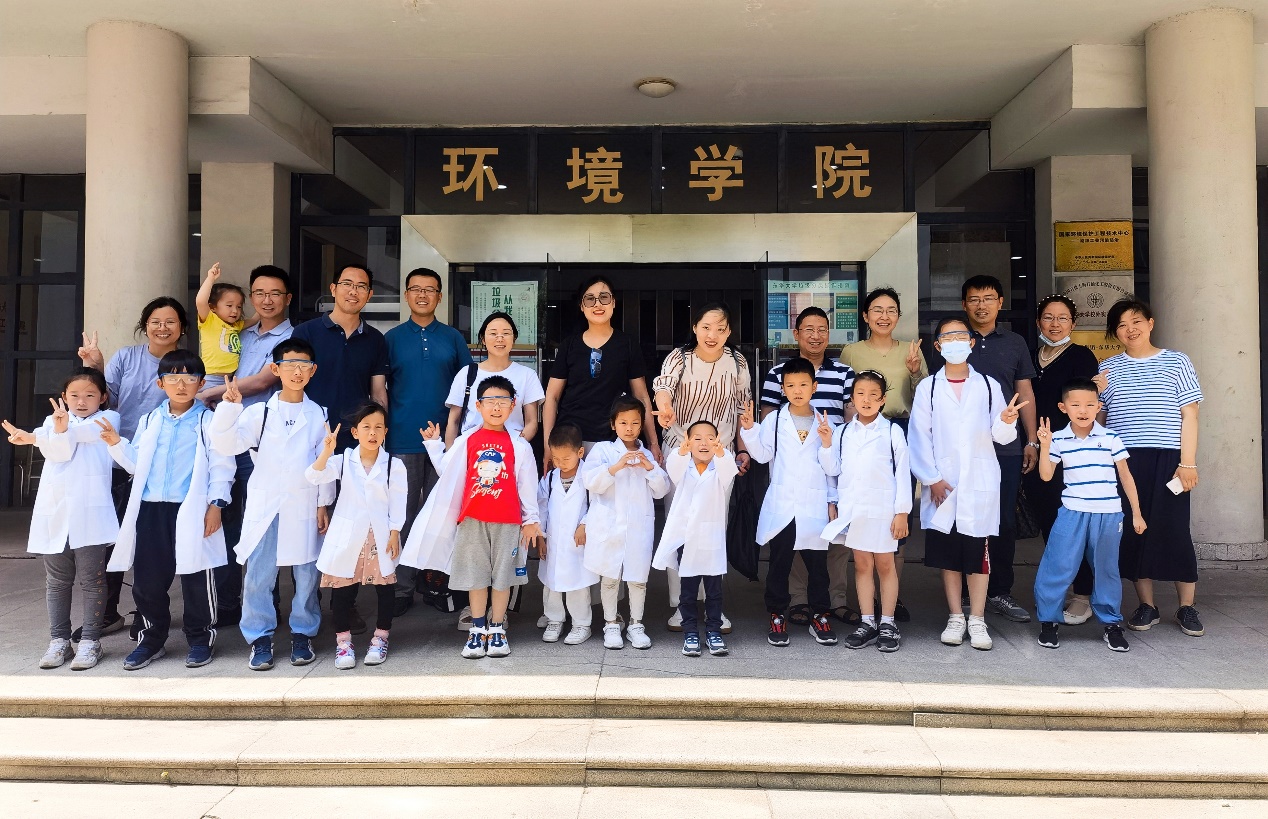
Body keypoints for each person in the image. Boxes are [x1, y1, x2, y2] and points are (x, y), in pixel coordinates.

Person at [97, 350, 235, 671]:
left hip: (192, 509)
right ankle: (151, 639)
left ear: (201, 383)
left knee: (196, 577)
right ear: (160, 383)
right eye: (173, 378)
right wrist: (116, 443)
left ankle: (200, 638)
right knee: (148, 581)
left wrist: (216, 505)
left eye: (189, 378)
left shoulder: (208, 421)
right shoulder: (149, 420)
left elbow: (222, 465)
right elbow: (135, 463)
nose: (181, 384)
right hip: (151, 509)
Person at [399, 376, 542, 659]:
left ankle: (497, 629)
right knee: (476, 577)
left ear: (513, 405)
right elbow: (447, 471)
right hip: (472, 521)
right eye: (490, 401)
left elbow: (527, 485)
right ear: (478, 406)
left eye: (503, 401)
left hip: (508, 522)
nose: (497, 407)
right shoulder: (466, 440)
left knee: (502, 578)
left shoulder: (520, 445)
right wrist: (434, 446)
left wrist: (531, 520)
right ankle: (477, 629)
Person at [210, 339, 332, 671]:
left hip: (304, 503)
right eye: (290, 364)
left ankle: (303, 634)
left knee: (307, 575)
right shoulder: (258, 412)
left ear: (313, 371)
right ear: (276, 369)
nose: (297, 371)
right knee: (259, 576)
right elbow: (226, 445)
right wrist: (229, 409)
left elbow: (325, 460)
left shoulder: (318, 413)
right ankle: (259, 638)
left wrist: (323, 504)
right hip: (267, 506)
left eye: (304, 365)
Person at [908, 316, 1025, 652]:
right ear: (938, 346)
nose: (956, 341)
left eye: (961, 335)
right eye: (948, 337)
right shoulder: (929, 387)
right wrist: (932, 479)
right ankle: (955, 616)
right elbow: (919, 436)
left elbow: (1001, 436)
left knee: (978, 553)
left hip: (978, 481)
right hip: (942, 484)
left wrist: (1006, 421)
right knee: (948, 555)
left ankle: (977, 618)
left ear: (971, 343)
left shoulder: (988, 385)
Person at [78, 296, 189, 636]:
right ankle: (107, 612)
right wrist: (95, 366)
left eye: (170, 322)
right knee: (109, 538)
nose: (162, 328)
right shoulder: (126, 357)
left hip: (161, 465)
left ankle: (146, 612)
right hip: (118, 457)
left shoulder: (184, 364)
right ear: (145, 325)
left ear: (182, 328)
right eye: (155, 321)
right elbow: (104, 397)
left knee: (151, 543)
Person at [1095, 299, 1204, 637]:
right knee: (1134, 531)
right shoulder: (1107, 368)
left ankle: (1187, 606)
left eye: (1136, 321)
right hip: (1124, 461)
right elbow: (1099, 420)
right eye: (1122, 325)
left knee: (1174, 529)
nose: (1131, 329)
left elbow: (1190, 415)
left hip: (1170, 459)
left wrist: (1187, 462)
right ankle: (1147, 605)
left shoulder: (1177, 361)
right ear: (1115, 333)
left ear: (1151, 323)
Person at [197, 265, 296, 628]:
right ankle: (227, 602)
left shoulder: (292, 338)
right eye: (260, 293)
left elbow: (262, 381)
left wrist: (208, 393)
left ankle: (266, 602)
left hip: (261, 445)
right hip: (224, 438)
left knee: (262, 523)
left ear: (288, 298)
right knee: (223, 517)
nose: (267, 300)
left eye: (275, 294)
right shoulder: (239, 330)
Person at [3, 370, 119, 671]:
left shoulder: (109, 419)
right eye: (74, 396)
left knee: (92, 580)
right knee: (56, 582)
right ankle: (59, 640)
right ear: (64, 397)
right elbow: (61, 451)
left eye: (90, 395)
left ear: (103, 397)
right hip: (55, 513)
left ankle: (91, 641)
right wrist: (49, 433)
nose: (81, 401)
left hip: (90, 514)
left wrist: (35, 437)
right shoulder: (51, 422)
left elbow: (83, 434)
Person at [652, 301, 752, 632]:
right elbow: (663, 388)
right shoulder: (679, 358)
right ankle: (681, 607)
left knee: (713, 529)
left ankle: (713, 607)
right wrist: (665, 407)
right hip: (681, 450)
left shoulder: (737, 362)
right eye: (706, 327)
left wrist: (742, 450)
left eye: (720, 329)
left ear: (729, 332)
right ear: (695, 328)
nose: (712, 335)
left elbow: (743, 410)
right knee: (679, 525)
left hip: (720, 455)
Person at [384, 267, 472, 616]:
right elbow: (380, 388)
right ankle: (402, 586)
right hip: (401, 437)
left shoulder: (452, 338)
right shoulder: (391, 339)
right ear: (406, 295)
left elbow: (467, 388)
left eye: (430, 289)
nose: (422, 295)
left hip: (446, 443)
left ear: (440, 296)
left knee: (443, 516)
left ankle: (437, 583)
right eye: (416, 289)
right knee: (402, 514)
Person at [761, 305, 856, 627]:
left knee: (830, 546)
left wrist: (838, 453)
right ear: (796, 334)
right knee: (789, 545)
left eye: (822, 330)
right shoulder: (778, 374)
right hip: (790, 479)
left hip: (831, 468)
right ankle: (793, 603)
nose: (816, 336)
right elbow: (768, 428)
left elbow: (851, 416)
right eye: (809, 330)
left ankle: (831, 604)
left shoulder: (843, 373)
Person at [1034, 378, 1144, 652]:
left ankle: (1111, 625)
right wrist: (1045, 445)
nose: (1083, 410)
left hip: (1108, 514)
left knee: (1106, 570)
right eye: (1075, 405)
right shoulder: (1058, 438)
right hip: (1071, 511)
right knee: (1058, 565)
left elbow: (1126, 476)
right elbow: (1046, 476)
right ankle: (1049, 622)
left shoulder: (1111, 438)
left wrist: (1136, 513)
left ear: (1098, 407)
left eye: (1089, 404)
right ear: (1063, 407)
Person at [839, 287, 928, 622]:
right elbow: (846, 395)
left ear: (898, 316)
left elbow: (924, 396)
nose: (884, 316)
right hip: (861, 432)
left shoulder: (911, 350)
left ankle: (890, 599)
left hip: (899, 430)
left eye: (891, 310)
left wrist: (915, 370)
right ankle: (867, 601)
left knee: (895, 517)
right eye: (877, 309)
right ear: (865, 316)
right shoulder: (852, 351)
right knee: (864, 509)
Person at [739, 357, 838, 648]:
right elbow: (762, 455)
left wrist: (828, 443)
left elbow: (832, 468)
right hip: (783, 503)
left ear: (814, 387)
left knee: (818, 566)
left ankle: (820, 615)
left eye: (803, 385)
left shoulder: (825, 422)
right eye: (791, 385)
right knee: (779, 563)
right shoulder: (774, 420)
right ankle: (777, 615)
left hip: (814, 503)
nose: (797, 390)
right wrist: (749, 430)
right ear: (782, 389)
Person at [961, 275, 1038, 624]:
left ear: (1000, 302)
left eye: (989, 298)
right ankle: (966, 591)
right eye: (975, 299)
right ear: (964, 304)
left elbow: (1025, 392)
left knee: (1003, 520)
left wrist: (1031, 440)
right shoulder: (954, 340)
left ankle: (999, 591)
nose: (982, 305)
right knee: (965, 518)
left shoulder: (1015, 342)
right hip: (963, 447)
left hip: (1006, 446)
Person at [307, 402, 407, 670]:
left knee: (385, 589)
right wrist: (327, 451)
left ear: (385, 432)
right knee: (342, 591)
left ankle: (380, 638)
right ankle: (343, 643)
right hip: (349, 535)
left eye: (378, 427)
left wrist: (395, 532)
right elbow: (313, 476)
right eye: (366, 427)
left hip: (379, 536)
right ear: (355, 432)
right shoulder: (343, 461)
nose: (372, 433)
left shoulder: (393, 465)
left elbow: (399, 502)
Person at [819, 371, 912, 652]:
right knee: (861, 564)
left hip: (884, 510)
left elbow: (903, 473)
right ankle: (868, 621)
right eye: (860, 394)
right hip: (854, 508)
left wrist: (902, 512)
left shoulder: (892, 431)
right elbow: (833, 469)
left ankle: (888, 622)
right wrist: (826, 444)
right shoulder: (843, 432)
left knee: (885, 564)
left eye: (873, 395)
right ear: (852, 398)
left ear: (883, 400)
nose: (866, 399)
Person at [1023, 294, 1100, 625]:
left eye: (1062, 318)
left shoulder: (1081, 357)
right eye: (1048, 317)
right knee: (1049, 524)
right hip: (1036, 451)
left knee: (1073, 523)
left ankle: (1083, 595)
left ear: (1073, 323)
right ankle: (1057, 588)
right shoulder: (1030, 356)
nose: (1055, 324)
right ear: (1038, 322)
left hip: (1069, 453)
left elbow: (1085, 406)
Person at [582, 395, 672, 651]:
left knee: (637, 578)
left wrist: (649, 468)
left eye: (635, 422)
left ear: (641, 424)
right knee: (610, 577)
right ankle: (611, 623)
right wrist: (615, 467)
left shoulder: (647, 454)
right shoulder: (603, 450)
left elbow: (661, 490)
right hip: (610, 525)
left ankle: (636, 624)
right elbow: (590, 482)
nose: (629, 428)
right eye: (623, 422)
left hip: (638, 527)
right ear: (613, 424)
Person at [543, 275, 660, 465]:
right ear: (582, 306)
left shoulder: (627, 344)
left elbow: (641, 396)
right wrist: (549, 446)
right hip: (571, 441)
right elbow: (552, 397)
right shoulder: (569, 345)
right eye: (590, 299)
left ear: (613, 303)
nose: (597, 304)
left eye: (604, 297)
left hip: (615, 442)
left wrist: (653, 442)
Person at [652, 420, 738, 658]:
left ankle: (713, 632)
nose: (703, 443)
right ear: (688, 442)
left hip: (712, 538)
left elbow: (729, 470)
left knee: (714, 590)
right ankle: (690, 632)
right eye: (697, 438)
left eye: (710, 438)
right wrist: (681, 451)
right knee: (687, 591)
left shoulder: (721, 466)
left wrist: (721, 453)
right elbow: (674, 468)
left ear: (718, 441)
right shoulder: (683, 465)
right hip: (687, 538)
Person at [289, 264, 389, 454]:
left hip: (356, 436)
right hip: (311, 434)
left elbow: (378, 392)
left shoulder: (376, 339)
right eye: (347, 284)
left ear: (369, 295)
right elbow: (292, 385)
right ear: (333, 289)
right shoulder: (305, 332)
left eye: (361, 286)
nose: (353, 291)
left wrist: (378, 432)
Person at [537, 422, 597, 645]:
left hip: (578, 541)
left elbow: (598, 504)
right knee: (550, 582)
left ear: (580, 453)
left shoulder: (589, 477)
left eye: (565, 459)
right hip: (553, 540)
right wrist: (541, 537)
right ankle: (554, 619)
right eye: (556, 458)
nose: (560, 463)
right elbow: (541, 507)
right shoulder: (550, 478)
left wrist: (585, 524)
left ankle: (581, 624)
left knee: (577, 584)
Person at [445, 312, 544, 444]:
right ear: (483, 339)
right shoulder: (467, 374)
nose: (500, 338)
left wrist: (515, 447)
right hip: (471, 450)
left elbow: (531, 422)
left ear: (514, 338)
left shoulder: (527, 375)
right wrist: (451, 454)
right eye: (493, 333)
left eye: (506, 333)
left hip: (512, 449)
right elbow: (453, 421)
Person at [194, 263, 248, 389]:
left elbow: (256, 319)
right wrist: (210, 279)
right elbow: (200, 301)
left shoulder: (236, 325)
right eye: (229, 305)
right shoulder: (209, 320)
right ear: (212, 307)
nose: (235, 311)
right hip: (210, 378)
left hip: (230, 380)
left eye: (239, 307)